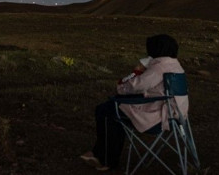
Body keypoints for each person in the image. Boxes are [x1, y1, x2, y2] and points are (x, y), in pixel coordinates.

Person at [80, 34, 188, 171]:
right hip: (177, 117)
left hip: (159, 118)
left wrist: (135, 72)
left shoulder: (159, 67)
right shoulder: (176, 66)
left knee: (106, 111)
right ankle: (100, 155)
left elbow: (135, 85)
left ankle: (105, 159)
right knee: (113, 110)